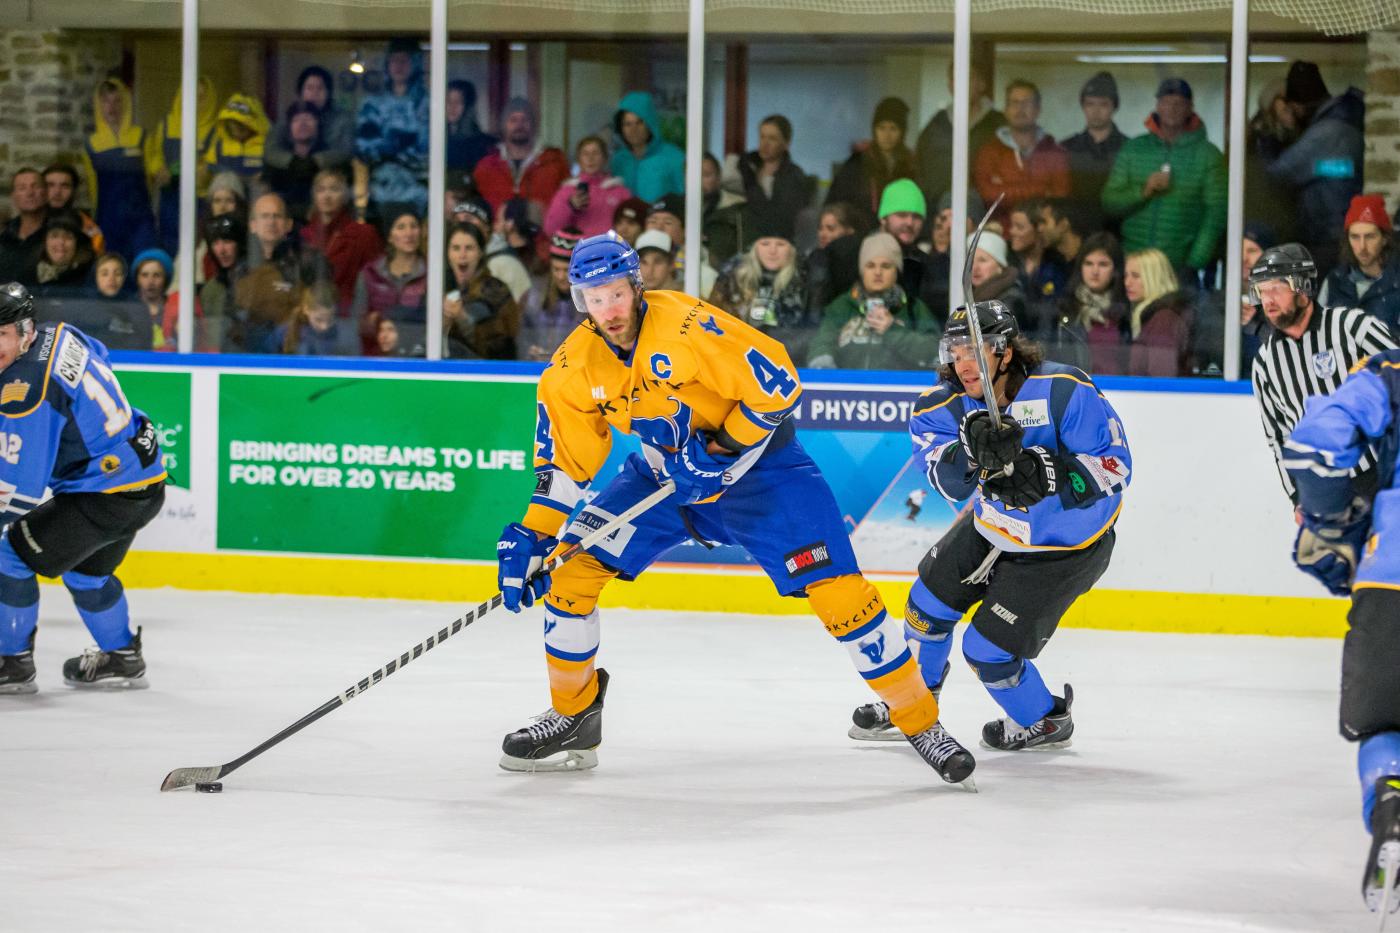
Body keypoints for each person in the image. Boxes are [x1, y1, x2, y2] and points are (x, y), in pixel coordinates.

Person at [492, 231, 975, 784]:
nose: (609, 309)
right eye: (594, 298)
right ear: (580, 301)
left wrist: (721, 449)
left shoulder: (689, 326)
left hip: (763, 476)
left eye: (616, 293)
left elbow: (780, 383)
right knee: (570, 571)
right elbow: (568, 465)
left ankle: (920, 721)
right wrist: (532, 536)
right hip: (662, 483)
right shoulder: (570, 368)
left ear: (636, 285)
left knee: (843, 598)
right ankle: (573, 716)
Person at [847, 301, 1129, 756]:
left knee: (986, 651)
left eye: (974, 351)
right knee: (924, 608)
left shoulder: (1064, 390)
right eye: (955, 352)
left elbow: (1116, 467)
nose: (962, 364)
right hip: (993, 526)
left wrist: (1053, 473)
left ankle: (1045, 719)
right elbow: (945, 479)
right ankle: (916, 707)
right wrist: (973, 454)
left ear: (1006, 351)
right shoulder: (940, 406)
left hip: (1065, 547)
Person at [1280, 350, 1400, 919]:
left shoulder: (1388, 371)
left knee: (1385, 725)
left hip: (1392, 581)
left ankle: (1392, 810)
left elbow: (1313, 447)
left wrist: (1330, 519)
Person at [0, 284, 167, 694]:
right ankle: (122, 656)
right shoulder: (60, 332)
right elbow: (102, 358)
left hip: (105, 493)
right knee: (86, 571)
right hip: (143, 475)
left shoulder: (25, 392)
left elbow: (19, 491)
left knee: (9, 555)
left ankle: (12, 662)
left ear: (24, 331)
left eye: (0, 334)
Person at [1249, 243, 1396, 509]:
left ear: (1303, 288)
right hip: (1323, 491)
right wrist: (1297, 497)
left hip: (1381, 475)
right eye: (1262, 290)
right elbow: (1279, 436)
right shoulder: (1264, 362)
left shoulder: (1353, 328)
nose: (1267, 299)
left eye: (1276, 288)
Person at [1101, 79, 1227, 279]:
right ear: (1157, 105)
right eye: (1167, 102)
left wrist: (1194, 262)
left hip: (1178, 266)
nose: (1172, 108)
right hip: (1133, 264)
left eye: (1179, 103)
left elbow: (1216, 214)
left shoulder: (1207, 155)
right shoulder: (1134, 149)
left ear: (1190, 108)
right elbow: (1109, 203)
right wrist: (1143, 191)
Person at [1267, 61, 1365, 274]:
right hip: (1337, 231)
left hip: (1327, 238)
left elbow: (1278, 174)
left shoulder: (1326, 134)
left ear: (1298, 107)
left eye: (1291, 109)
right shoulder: (1344, 123)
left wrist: (1276, 136)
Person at [807, 231, 940, 370]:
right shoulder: (842, 306)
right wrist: (827, 374)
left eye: (886, 266)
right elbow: (821, 345)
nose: (877, 272)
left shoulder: (913, 308)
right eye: (870, 265)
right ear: (861, 271)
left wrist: (892, 330)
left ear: (897, 271)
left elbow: (934, 351)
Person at [230, 193, 330, 355]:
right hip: (251, 357)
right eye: (265, 216)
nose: (271, 222)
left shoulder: (308, 262)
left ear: (288, 224)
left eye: (277, 216)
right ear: (253, 225)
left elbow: (323, 309)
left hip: (296, 354)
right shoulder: (240, 269)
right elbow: (233, 318)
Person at [710, 216, 813, 363]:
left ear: (791, 249)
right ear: (755, 247)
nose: (772, 251)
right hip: (734, 355)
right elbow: (713, 318)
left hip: (789, 359)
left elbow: (808, 332)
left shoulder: (804, 279)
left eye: (780, 244)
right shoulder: (732, 276)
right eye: (765, 243)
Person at [973, 80, 1070, 228]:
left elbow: (1060, 200)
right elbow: (988, 196)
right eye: (1014, 103)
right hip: (1001, 235)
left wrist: (1005, 188)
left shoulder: (1054, 153)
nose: (1020, 108)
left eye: (1026, 103)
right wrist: (1042, 190)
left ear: (1037, 109)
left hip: (1043, 237)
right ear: (1005, 109)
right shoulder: (989, 152)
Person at [80, 78, 156, 262]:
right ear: (99, 105)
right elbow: (92, 188)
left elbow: (153, 175)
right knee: (111, 267)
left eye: (117, 101)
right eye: (105, 101)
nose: (111, 107)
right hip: (107, 218)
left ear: (126, 103)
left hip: (140, 219)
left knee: (144, 263)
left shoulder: (141, 137)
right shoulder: (91, 144)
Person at [355, 38, 430, 217]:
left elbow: (428, 151)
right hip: (380, 194)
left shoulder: (429, 103)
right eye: (394, 60)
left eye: (404, 61)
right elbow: (363, 149)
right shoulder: (372, 104)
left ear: (415, 64)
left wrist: (391, 147)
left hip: (420, 194)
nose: (398, 66)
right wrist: (394, 143)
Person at [915, 61, 1005, 210]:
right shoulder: (936, 125)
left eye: (967, 77)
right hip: (941, 213)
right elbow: (921, 170)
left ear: (982, 84)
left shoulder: (999, 125)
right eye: (954, 78)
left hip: (988, 214)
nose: (960, 83)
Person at [472, 97, 569, 229]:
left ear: (533, 124)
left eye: (525, 119)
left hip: (543, 242)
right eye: (513, 120)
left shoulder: (555, 162)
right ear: (504, 125)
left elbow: (567, 206)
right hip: (498, 242)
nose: (519, 125)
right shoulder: (486, 166)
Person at [146, 77, 217, 257]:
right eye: (191, 95)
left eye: (201, 97)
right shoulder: (167, 124)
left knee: (198, 246)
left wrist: (202, 171)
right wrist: (158, 169)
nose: (195, 101)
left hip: (199, 197)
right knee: (168, 242)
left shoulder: (214, 128)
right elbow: (153, 153)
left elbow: (215, 159)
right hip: (170, 194)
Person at [299, 169, 382, 315]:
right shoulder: (303, 235)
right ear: (314, 196)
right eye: (321, 190)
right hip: (308, 314)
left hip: (348, 315)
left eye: (334, 189)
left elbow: (375, 283)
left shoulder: (364, 234)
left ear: (345, 196)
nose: (327, 196)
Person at [1047, 232, 1128, 374]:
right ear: (1080, 267)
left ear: (1115, 270)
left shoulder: (1126, 312)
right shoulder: (1062, 310)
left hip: (1120, 391)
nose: (1095, 271)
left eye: (1103, 264)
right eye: (1088, 263)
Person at [350, 207, 427, 356]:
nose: (409, 233)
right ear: (390, 236)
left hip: (415, 357)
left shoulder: (431, 275)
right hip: (375, 358)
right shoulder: (370, 274)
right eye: (401, 227)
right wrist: (371, 323)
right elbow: (355, 323)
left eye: (414, 226)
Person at [729, 114, 814, 248]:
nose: (765, 143)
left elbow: (779, 222)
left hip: (776, 245)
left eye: (772, 138)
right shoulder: (747, 165)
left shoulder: (793, 176)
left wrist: (751, 183)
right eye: (762, 137)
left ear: (786, 144)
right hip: (739, 239)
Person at [1317, 195, 1400, 330]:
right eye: (1354, 237)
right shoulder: (1334, 282)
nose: (1362, 247)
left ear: (1384, 239)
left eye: (1370, 237)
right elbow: (1317, 334)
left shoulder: (1396, 281)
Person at [827, 97, 916, 220]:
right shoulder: (857, 163)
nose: (887, 135)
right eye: (881, 128)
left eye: (893, 128)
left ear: (902, 132)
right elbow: (837, 204)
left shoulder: (911, 165)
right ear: (874, 130)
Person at [442, 221, 519, 360]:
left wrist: (463, 319)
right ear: (447, 253)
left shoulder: (497, 291)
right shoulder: (438, 289)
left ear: (480, 253)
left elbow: (503, 349)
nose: (462, 255)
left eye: (469, 248)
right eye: (456, 248)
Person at [1059, 72, 1125, 234]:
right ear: (1083, 106)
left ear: (1114, 107)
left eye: (1103, 104)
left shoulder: (1128, 149)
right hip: (1075, 232)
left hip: (1117, 232)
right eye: (1090, 104)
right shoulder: (1066, 148)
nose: (1096, 111)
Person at [262, 102, 343, 224]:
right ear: (289, 128)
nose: (302, 124)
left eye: (308, 119)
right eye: (296, 120)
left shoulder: (331, 161)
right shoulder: (276, 164)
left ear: (318, 125)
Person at [543, 136, 631, 241]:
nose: (590, 158)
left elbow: (630, 228)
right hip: (577, 252)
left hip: (610, 251)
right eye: (585, 154)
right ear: (579, 159)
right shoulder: (567, 191)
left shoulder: (620, 192)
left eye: (595, 153)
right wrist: (570, 206)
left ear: (605, 158)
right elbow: (550, 229)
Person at [1122, 248, 1192, 377]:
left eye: (1136, 276)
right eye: (1126, 275)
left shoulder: (1164, 320)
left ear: (1154, 278)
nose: (1127, 283)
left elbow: (1161, 376)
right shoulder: (1153, 315)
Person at [609, 91, 685, 203]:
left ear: (650, 124)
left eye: (639, 122)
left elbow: (684, 199)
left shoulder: (674, 157)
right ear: (621, 128)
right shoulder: (618, 160)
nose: (633, 129)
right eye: (627, 124)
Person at [518, 228, 581, 362]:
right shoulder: (533, 297)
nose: (560, 276)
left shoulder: (590, 304)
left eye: (567, 270)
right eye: (556, 269)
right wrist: (529, 352)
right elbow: (522, 338)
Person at [274, 65, 355, 167]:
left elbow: (346, 151)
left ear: (328, 93)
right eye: (309, 88)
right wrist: (292, 161)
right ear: (301, 92)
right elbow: (272, 149)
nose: (315, 93)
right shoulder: (289, 116)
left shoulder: (342, 119)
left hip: (330, 171)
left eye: (320, 88)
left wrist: (315, 161)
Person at [645, 194, 716, 299]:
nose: (658, 228)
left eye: (668, 223)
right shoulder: (629, 264)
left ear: (685, 230)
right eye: (653, 221)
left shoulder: (703, 273)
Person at [1008, 200, 1067, 318]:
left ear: (1039, 228)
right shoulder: (1006, 260)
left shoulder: (1056, 264)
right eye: (1012, 225)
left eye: (1019, 227)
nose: (1012, 231)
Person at [196, 214, 246, 351]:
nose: (222, 250)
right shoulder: (210, 290)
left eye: (227, 241)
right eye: (215, 243)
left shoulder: (255, 281)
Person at [804, 202, 863, 314]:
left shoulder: (823, 259)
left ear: (849, 230)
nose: (823, 234)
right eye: (820, 228)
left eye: (830, 229)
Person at [967, 230, 1030, 335]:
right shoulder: (968, 294)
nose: (975, 268)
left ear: (1000, 266)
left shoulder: (1010, 301)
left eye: (982, 260)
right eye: (971, 261)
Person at [876, 178, 928, 303]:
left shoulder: (924, 264)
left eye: (916, 217)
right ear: (883, 218)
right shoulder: (862, 258)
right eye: (902, 215)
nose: (909, 223)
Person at [203, 93, 270, 187]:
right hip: (228, 198)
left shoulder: (269, 145)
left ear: (254, 123)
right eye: (231, 122)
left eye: (240, 123)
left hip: (259, 198)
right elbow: (205, 179)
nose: (235, 127)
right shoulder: (219, 146)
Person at [278, 280, 357, 356]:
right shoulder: (283, 333)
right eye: (318, 320)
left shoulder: (346, 335)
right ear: (306, 309)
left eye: (331, 319)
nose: (325, 326)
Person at [42, 163, 106, 256]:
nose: (57, 192)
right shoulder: (31, 220)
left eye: (65, 186)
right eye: (50, 185)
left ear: (74, 190)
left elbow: (100, 255)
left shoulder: (85, 223)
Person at [26, 212, 94, 297]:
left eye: (68, 237)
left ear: (77, 244)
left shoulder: (90, 279)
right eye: (54, 236)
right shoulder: (27, 273)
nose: (61, 242)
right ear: (44, 241)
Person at [0, 169, 49, 284]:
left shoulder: (58, 233)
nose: (29, 193)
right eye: (22, 188)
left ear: (46, 193)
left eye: (35, 187)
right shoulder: (5, 235)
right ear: (14, 196)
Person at [701, 153, 746, 267]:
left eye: (706, 175)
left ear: (718, 177)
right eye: (691, 174)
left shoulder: (737, 205)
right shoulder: (678, 206)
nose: (699, 181)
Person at [444, 79, 496, 176]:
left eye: (458, 102)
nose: (452, 107)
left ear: (467, 105)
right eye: (448, 101)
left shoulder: (482, 143)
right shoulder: (436, 138)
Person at [130, 248, 174, 351]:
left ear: (165, 279)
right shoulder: (128, 308)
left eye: (157, 275)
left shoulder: (175, 308)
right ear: (137, 279)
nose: (150, 281)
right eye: (145, 275)